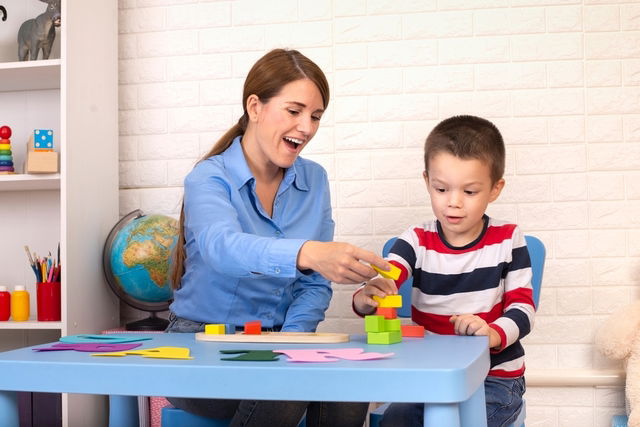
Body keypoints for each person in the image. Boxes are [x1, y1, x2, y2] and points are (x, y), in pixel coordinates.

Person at [166, 48, 390, 427]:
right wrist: (307, 252)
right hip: (198, 345)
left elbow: (314, 284)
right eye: (294, 111)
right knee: (286, 391)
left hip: (276, 342)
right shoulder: (208, 178)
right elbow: (222, 248)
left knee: (348, 389)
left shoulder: (314, 179)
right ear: (255, 107)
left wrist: (291, 342)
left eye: (315, 116)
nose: (306, 127)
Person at [352, 115, 535, 427]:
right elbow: (388, 278)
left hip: (494, 378)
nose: (454, 203)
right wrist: (366, 297)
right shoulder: (415, 240)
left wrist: (491, 333)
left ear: (495, 189)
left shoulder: (508, 239)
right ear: (427, 182)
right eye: (441, 189)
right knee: (393, 421)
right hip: (430, 377)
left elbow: (524, 310)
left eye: (470, 192)